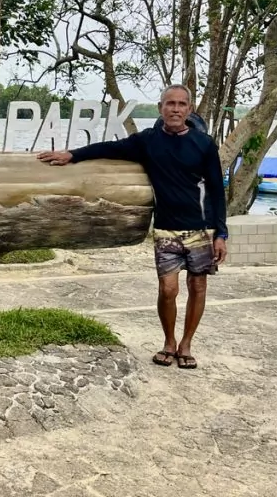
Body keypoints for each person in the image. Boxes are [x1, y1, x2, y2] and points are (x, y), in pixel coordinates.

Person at [37, 83, 227, 371]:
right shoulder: (148, 141)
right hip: (166, 228)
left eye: (181, 104)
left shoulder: (204, 144)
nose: (175, 109)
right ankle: (169, 341)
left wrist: (221, 234)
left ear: (189, 109)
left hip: (201, 230)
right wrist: (73, 155)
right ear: (161, 108)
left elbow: (216, 189)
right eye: (170, 104)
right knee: (167, 289)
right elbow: (109, 148)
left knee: (198, 286)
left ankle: (186, 344)